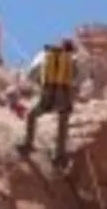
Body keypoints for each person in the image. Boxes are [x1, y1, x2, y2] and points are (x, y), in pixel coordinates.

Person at [15, 38, 82, 170]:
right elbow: (75, 77)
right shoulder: (71, 60)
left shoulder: (48, 56)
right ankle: (59, 155)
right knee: (63, 122)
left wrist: (40, 83)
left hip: (47, 93)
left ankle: (28, 144)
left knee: (31, 115)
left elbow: (34, 73)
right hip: (63, 95)